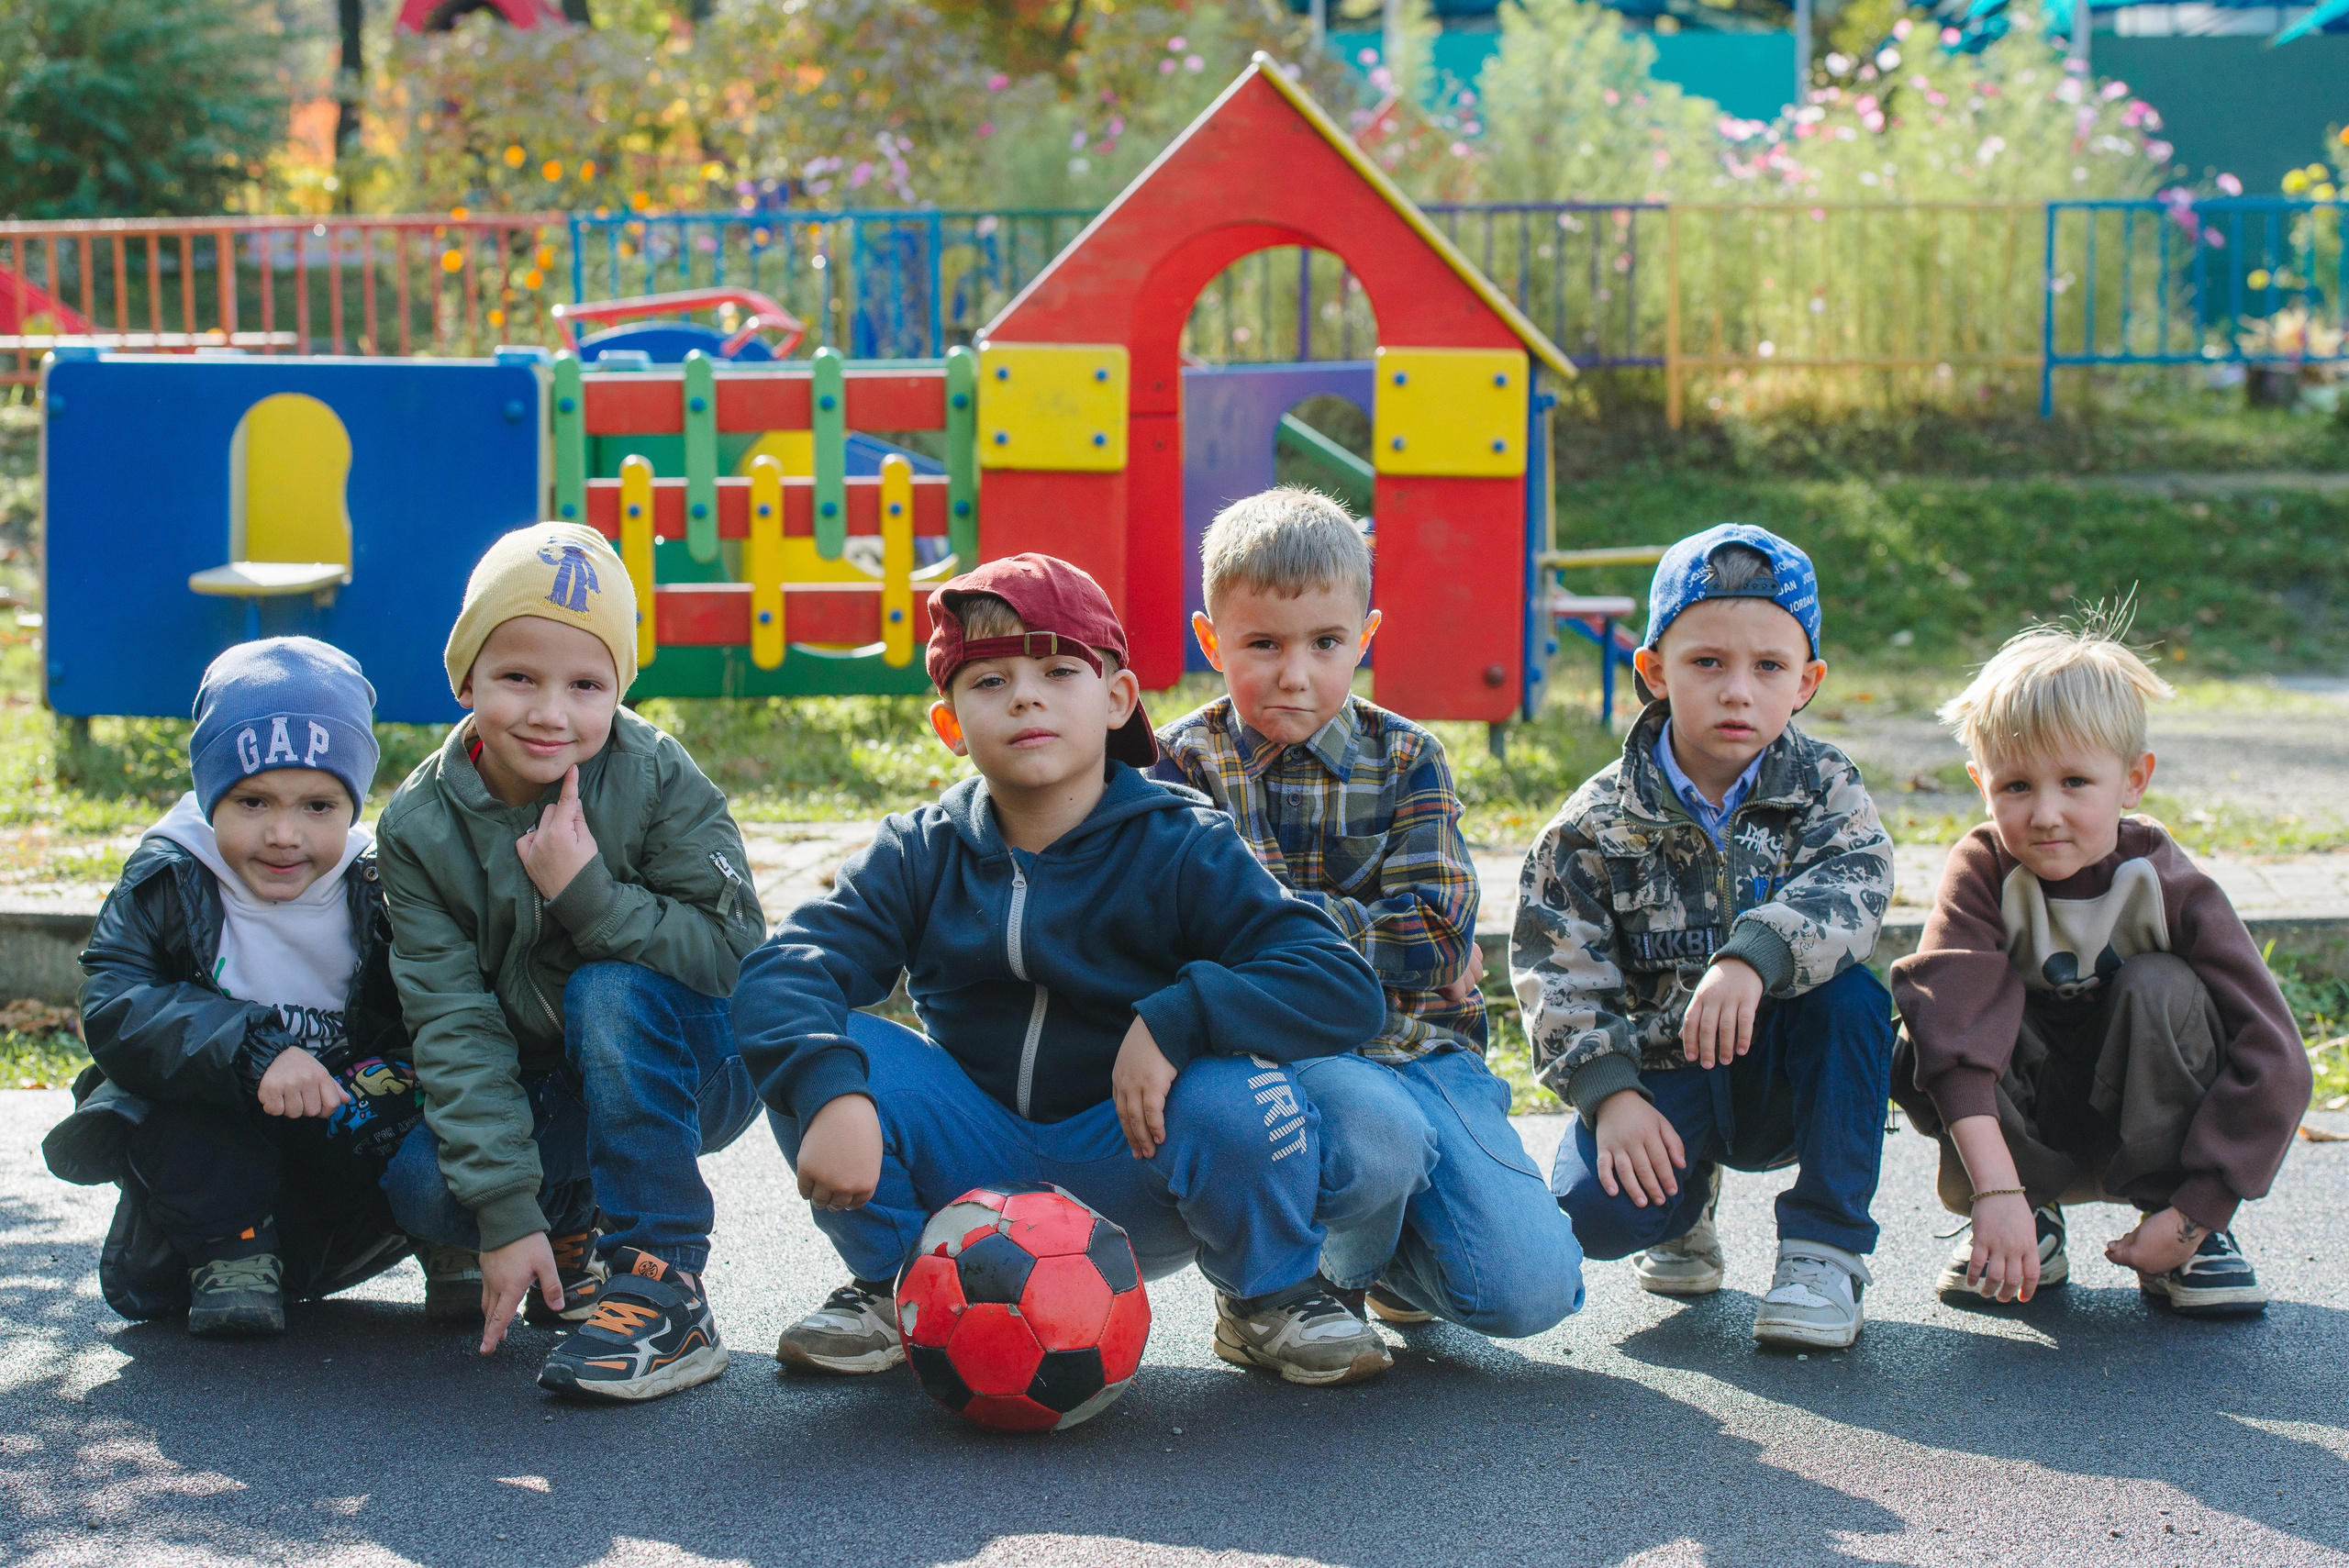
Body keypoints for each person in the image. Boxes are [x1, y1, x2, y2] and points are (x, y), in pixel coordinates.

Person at [740, 552, 1397, 1387]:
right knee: (830, 1048)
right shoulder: (921, 850)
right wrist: (829, 1089)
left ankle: (1271, 1296)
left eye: (1057, 669)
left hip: (1131, 1147)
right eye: (988, 682)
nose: (1025, 696)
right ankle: (896, 1284)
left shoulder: (1181, 841)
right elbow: (783, 970)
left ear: (1118, 698)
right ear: (949, 725)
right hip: (972, 1150)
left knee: (1237, 1095)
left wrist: (1177, 1018)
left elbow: (1338, 984)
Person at [1152, 487, 1585, 1339]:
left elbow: (1432, 934)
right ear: (1211, 639)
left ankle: (1394, 1257)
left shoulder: (1410, 756)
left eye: (1325, 643)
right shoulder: (1180, 764)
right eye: (1262, 644)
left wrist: (1262, 932)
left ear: (1366, 636)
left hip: (1419, 1045)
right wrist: (1352, 933)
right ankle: (1305, 1282)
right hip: (1271, 1055)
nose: (1295, 673)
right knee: (1373, 1138)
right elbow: (1172, 938)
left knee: (1530, 1291)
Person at [376, 523, 766, 1402]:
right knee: (427, 1191)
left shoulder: (657, 773)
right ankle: (565, 1226)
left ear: (618, 689)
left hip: (696, 1060)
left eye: (586, 685)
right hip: (555, 1081)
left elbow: (738, 957)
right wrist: (507, 1210)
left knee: (607, 987)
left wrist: (587, 895)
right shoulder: (418, 826)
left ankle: (665, 1283)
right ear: (466, 676)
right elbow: (454, 1019)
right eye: (518, 677)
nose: (551, 712)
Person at [1511, 523, 1895, 1350]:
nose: (1737, 691)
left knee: (1857, 1000)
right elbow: (1555, 969)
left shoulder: (1825, 786)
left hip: (1784, 1073)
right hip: (1662, 1075)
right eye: (1706, 662)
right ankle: (1681, 1213)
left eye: (1769, 668)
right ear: (1653, 670)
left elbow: (1857, 883)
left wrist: (1756, 956)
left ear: (1808, 681)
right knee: (1590, 1215)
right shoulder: (1593, 823)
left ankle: (1823, 1252)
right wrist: (1609, 1094)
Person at [1889, 618, 2308, 1317]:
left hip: (2148, 1124)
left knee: (2163, 986)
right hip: (2024, 1129)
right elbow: (1952, 1042)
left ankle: (2186, 1239)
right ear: (1981, 783)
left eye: (2076, 781)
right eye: (2016, 784)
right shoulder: (1983, 870)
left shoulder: (2167, 881)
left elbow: (2277, 1053)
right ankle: (2027, 1217)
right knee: (1932, 1017)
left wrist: (2198, 1208)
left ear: (2134, 779)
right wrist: (1997, 1192)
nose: (2046, 813)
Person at [44, 638, 418, 1337]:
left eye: (317, 805)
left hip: (332, 1137)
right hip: (218, 1140)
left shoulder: (376, 885)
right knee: (140, 1094)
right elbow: (115, 1005)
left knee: (423, 1081)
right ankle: (232, 1248)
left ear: (352, 804)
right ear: (210, 795)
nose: (283, 833)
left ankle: (452, 1240)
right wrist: (254, 1050)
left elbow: (422, 1015)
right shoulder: (169, 870)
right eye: (251, 800)